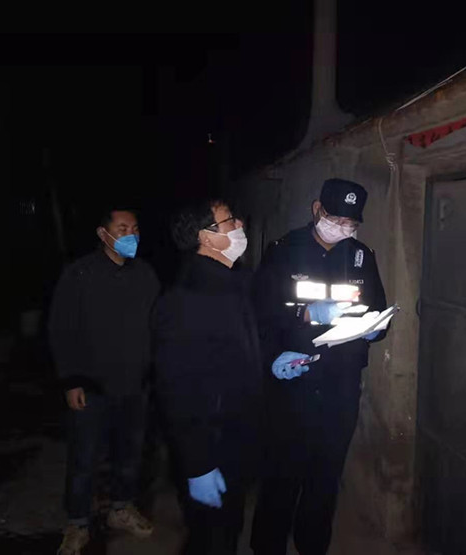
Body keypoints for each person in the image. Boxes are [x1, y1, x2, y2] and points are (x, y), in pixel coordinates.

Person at [250, 178, 388, 555]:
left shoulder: (361, 256)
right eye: (335, 219)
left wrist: (377, 328)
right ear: (317, 210)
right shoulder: (283, 252)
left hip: (340, 385)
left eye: (350, 223)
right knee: (283, 474)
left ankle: (313, 545)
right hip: (293, 382)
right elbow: (260, 315)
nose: (342, 228)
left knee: (326, 476)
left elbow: (378, 307)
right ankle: (268, 547)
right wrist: (303, 316)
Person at [154, 199, 263, 555]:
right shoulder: (185, 298)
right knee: (211, 538)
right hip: (212, 442)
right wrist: (198, 462)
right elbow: (176, 387)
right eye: (230, 220)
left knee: (229, 528)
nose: (240, 224)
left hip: (237, 436)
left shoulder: (235, 281)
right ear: (206, 237)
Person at [49, 206, 160, 555]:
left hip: (135, 386)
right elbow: (61, 328)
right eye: (122, 228)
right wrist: (71, 380)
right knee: (84, 460)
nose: (131, 235)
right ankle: (77, 523)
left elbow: (157, 324)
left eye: (135, 228)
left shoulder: (145, 274)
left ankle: (121, 508)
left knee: (130, 455)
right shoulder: (79, 273)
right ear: (103, 233)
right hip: (91, 388)